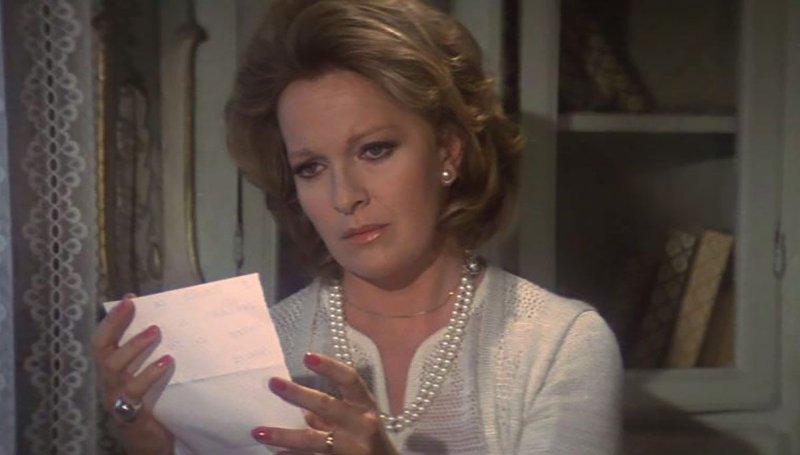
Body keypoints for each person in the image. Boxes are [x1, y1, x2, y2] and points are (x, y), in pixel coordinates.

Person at [91, 0, 623, 454]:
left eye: (374, 150)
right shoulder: (258, 353)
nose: (345, 197)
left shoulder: (556, 344)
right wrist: (156, 447)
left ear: (448, 151)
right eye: (311, 168)